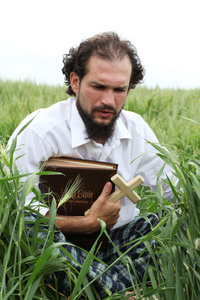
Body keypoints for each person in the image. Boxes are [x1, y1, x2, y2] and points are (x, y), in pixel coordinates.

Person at [8, 32, 176, 298]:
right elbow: (16, 213)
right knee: (32, 233)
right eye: (98, 87)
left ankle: (101, 287)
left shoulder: (137, 130)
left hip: (117, 243)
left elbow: (174, 192)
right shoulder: (40, 131)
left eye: (119, 89)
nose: (109, 101)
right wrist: (85, 225)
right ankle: (124, 293)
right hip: (60, 245)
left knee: (169, 223)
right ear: (75, 81)